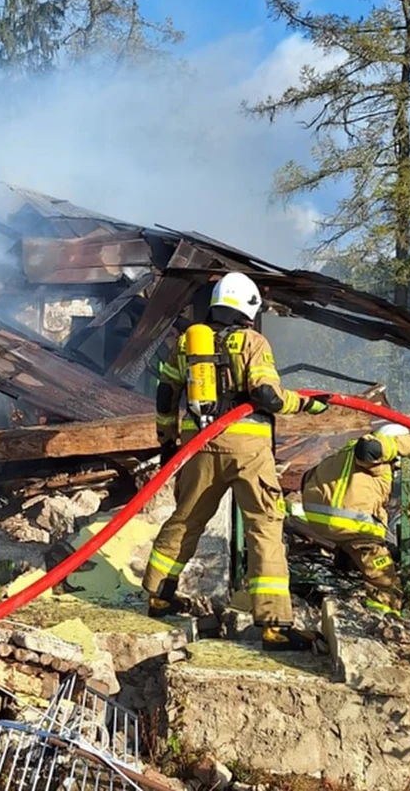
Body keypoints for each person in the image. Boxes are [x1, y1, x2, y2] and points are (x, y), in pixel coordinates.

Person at [144, 271, 329, 651]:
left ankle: (159, 595)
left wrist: (168, 439)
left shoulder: (187, 342)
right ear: (249, 308)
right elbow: (267, 394)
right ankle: (275, 626)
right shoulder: (253, 341)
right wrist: (306, 404)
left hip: (202, 445)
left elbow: (166, 394)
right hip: (249, 451)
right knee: (264, 527)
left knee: (186, 517)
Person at [295, 423, 410, 617]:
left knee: (356, 547)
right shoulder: (371, 453)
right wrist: (408, 443)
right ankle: (383, 617)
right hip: (352, 524)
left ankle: (347, 559)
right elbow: (368, 450)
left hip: (322, 519)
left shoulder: (345, 453)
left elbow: (308, 476)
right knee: (383, 576)